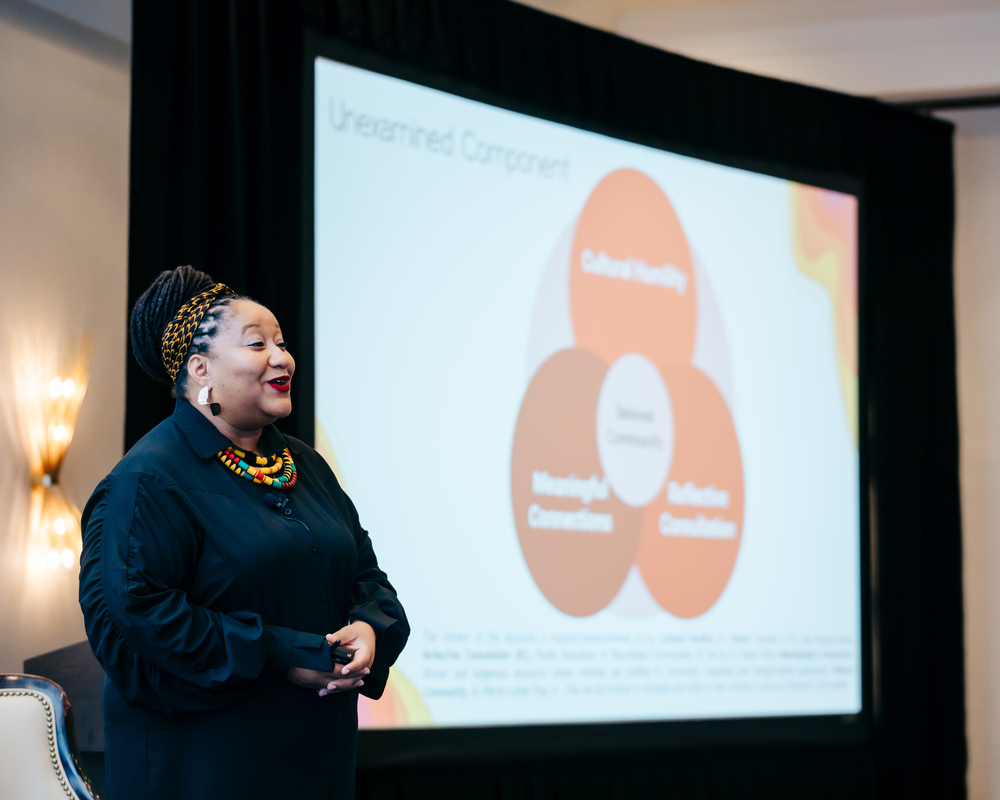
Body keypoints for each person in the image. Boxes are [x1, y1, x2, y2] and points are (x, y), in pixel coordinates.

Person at [79, 266, 408, 800]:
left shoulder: (305, 465)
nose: (282, 357)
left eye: (281, 342)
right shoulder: (147, 480)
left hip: (313, 766)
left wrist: (370, 628)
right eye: (257, 344)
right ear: (200, 368)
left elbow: (366, 576)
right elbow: (139, 620)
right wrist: (281, 656)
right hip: (206, 769)